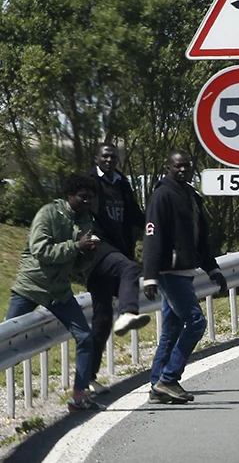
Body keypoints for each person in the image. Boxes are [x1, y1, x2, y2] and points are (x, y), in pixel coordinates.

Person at [5, 174, 105, 411]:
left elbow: (76, 265)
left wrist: (88, 254)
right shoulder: (48, 214)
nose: (87, 202)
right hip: (31, 287)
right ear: (70, 195)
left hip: (59, 291)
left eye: (91, 198)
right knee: (5, 343)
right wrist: (75, 246)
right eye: (83, 197)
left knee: (85, 337)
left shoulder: (85, 222)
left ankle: (79, 397)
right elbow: (41, 251)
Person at [141, 149, 228, 405]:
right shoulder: (162, 195)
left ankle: (158, 384)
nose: (182, 170)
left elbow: (201, 238)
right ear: (168, 166)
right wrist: (150, 276)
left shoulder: (191, 196)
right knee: (196, 322)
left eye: (187, 166)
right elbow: (152, 237)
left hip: (186, 271)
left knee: (171, 329)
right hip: (170, 273)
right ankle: (169, 378)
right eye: (177, 166)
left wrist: (212, 269)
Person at [86, 143, 152, 395]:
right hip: (98, 249)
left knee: (101, 320)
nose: (109, 159)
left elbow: (134, 214)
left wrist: (153, 225)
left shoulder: (122, 183)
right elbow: (76, 205)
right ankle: (127, 312)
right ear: (96, 158)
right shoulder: (89, 180)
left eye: (113, 156)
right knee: (130, 268)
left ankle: (87, 378)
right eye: (105, 156)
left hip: (118, 250)